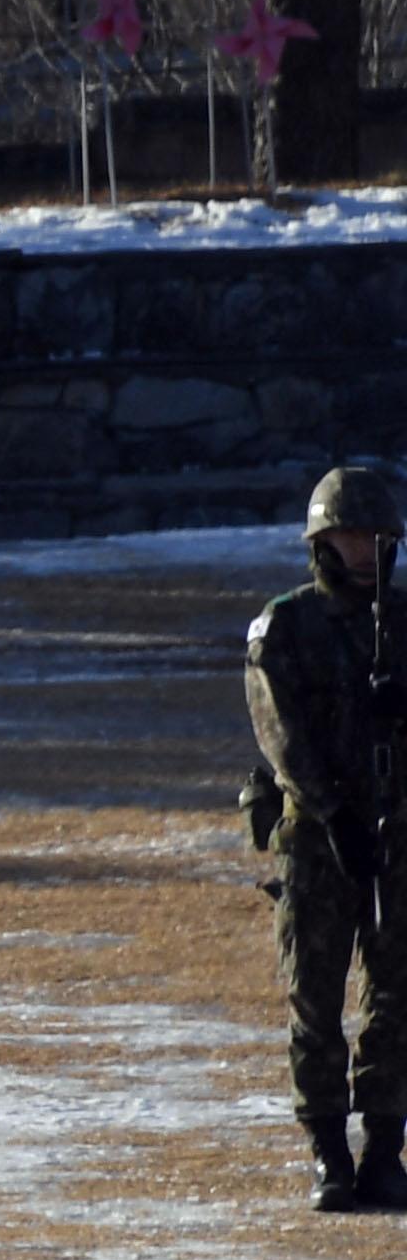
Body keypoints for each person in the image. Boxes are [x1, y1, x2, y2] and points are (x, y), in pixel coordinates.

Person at [246, 465, 407, 1211]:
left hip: (399, 837)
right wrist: (334, 815)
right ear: (322, 542)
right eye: (348, 535)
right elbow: (280, 736)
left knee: (396, 998)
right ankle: (327, 1152)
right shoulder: (287, 625)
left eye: (376, 537)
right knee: (314, 998)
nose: (364, 550)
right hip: (317, 840)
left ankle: (384, 1149)